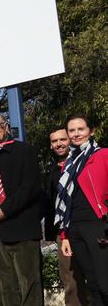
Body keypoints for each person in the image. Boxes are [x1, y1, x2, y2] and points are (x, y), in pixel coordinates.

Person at [0, 113, 43, 306]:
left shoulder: (24, 150)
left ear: (6, 127)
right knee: (2, 284)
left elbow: (30, 187)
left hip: (20, 226)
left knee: (29, 282)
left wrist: (5, 211)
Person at [56, 115, 108, 305]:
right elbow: (65, 202)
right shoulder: (70, 163)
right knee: (92, 284)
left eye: (81, 129)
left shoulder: (102, 155)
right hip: (74, 228)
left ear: (91, 131)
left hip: (97, 224)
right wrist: (64, 235)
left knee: (105, 284)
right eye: (72, 130)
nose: (76, 134)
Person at [44, 127, 89, 306]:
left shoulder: (84, 162)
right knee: (70, 281)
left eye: (62, 139)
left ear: (69, 140)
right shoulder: (50, 171)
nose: (59, 144)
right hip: (63, 233)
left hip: (87, 227)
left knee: (97, 275)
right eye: (54, 141)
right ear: (50, 145)